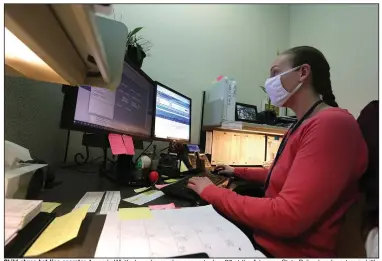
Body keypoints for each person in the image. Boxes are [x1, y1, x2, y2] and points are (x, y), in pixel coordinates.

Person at [187, 46, 368, 257]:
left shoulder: (332, 124)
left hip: (286, 250)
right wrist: (236, 170)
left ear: (303, 72)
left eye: (275, 73)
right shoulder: (300, 124)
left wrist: (213, 192)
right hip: (267, 237)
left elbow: (288, 217)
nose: (269, 81)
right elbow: (285, 174)